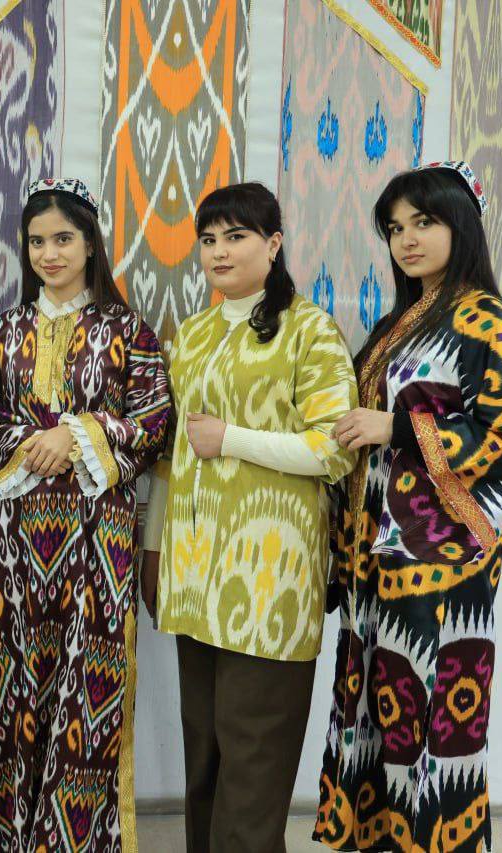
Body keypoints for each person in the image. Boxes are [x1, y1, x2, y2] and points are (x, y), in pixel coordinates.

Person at [313, 161, 502, 852]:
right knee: (380, 710)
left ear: (462, 225)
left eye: (424, 222)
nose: (406, 240)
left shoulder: (490, 322)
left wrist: (397, 427)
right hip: (376, 557)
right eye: (394, 228)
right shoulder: (400, 324)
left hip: (440, 564)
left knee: (434, 719)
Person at [142, 182, 357, 851]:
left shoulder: (310, 329)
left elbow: (335, 449)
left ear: (273, 243)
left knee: (254, 756)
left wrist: (232, 439)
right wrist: (154, 550)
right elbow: (172, 458)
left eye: (236, 237)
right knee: (204, 756)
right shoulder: (192, 335)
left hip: (271, 578)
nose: (219, 251)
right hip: (193, 572)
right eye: (208, 239)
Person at [0, 178, 171, 853]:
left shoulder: (127, 330)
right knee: (18, 674)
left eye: (62, 239)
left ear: (89, 244)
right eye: (36, 241)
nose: (49, 254)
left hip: (98, 534)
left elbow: (154, 420)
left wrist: (77, 435)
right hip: (19, 537)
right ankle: (11, 835)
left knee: (88, 680)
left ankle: (75, 838)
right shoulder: (4, 331)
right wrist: (32, 444)